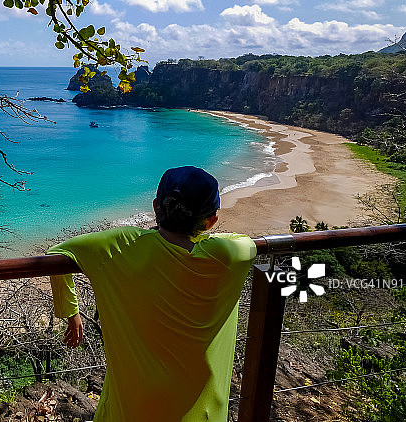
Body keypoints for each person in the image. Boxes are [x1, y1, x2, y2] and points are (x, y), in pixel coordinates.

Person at [47, 166, 257, 421]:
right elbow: (243, 240)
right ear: (211, 221)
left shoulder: (118, 247)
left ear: (156, 205)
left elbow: (56, 254)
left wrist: (71, 312)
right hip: (206, 413)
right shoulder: (232, 256)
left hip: (132, 410)